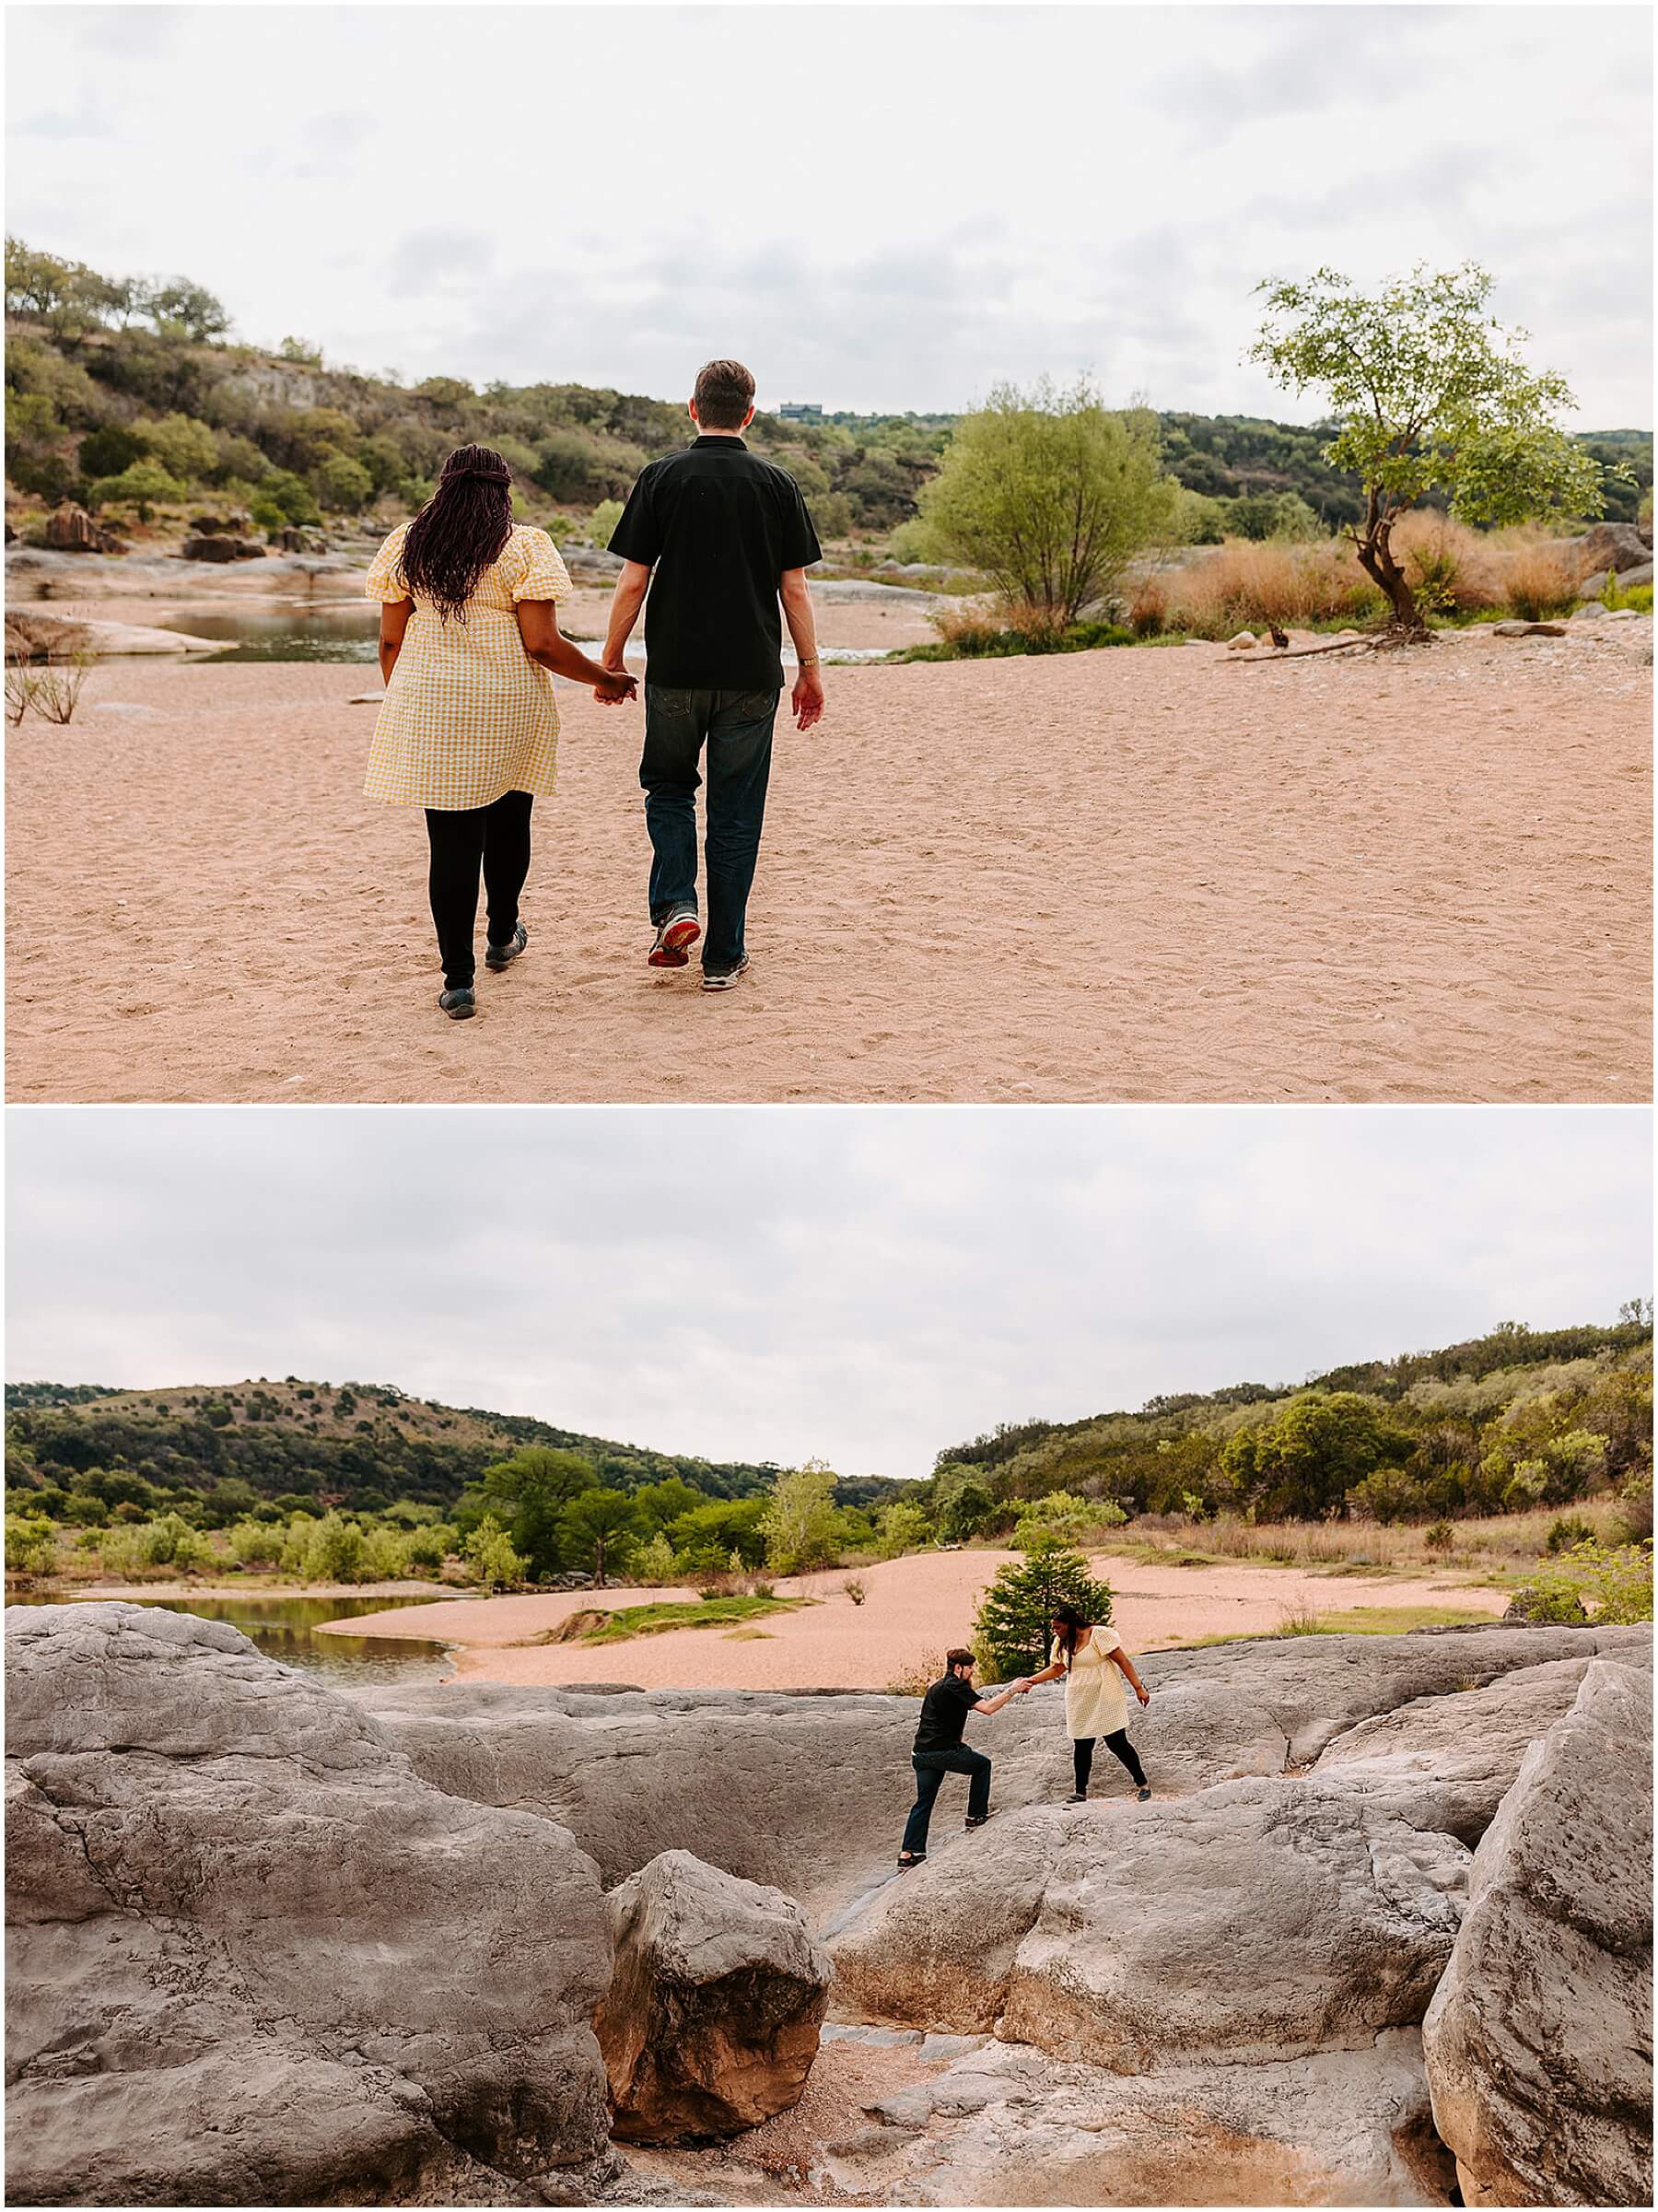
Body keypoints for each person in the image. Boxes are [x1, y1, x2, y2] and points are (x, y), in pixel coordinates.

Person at [364, 444, 636, 1020]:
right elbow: (541, 643)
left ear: (444, 486)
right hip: (506, 706)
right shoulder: (525, 545)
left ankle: (458, 982)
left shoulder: (407, 544)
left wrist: (411, 698)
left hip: (433, 707)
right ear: (503, 490)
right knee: (511, 822)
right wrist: (604, 677)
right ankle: (503, 934)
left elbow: (390, 642)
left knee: (451, 842)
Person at [601, 359, 825, 990]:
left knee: (669, 788)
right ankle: (724, 956)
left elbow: (633, 581)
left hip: (675, 670)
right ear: (749, 414)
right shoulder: (778, 484)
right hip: (753, 676)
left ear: (693, 409)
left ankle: (677, 904)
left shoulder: (661, 477)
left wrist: (611, 660)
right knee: (736, 811)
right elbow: (795, 590)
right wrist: (809, 670)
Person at [897, 1647, 1031, 1870]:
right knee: (982, 1765)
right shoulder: (956, 1686)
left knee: (923, 1803)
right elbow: (988, 1708)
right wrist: (1012, 1690)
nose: (972, 1672)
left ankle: (909, 1854)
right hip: (942, 1752)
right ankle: (975, 1816)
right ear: (959, 1668)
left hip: (921, 1754)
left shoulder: (936, 1687)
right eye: (970, 1668)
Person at [1024, 1603, 1153, 1803]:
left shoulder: (1098, 1635)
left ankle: (1142, 1783)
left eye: (1058, 1627)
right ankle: (1080, 1791)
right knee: (1082, 1744)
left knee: (1117, 1742)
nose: (1055, 1631)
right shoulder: (1062, 1643)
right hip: (1080, 1697)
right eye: (1054, 1627)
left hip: (1105, 1694)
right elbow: (1057, 1669)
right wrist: (1032, 1680)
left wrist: (1138, 1688)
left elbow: (1123, 1661)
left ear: (1070, 1624)